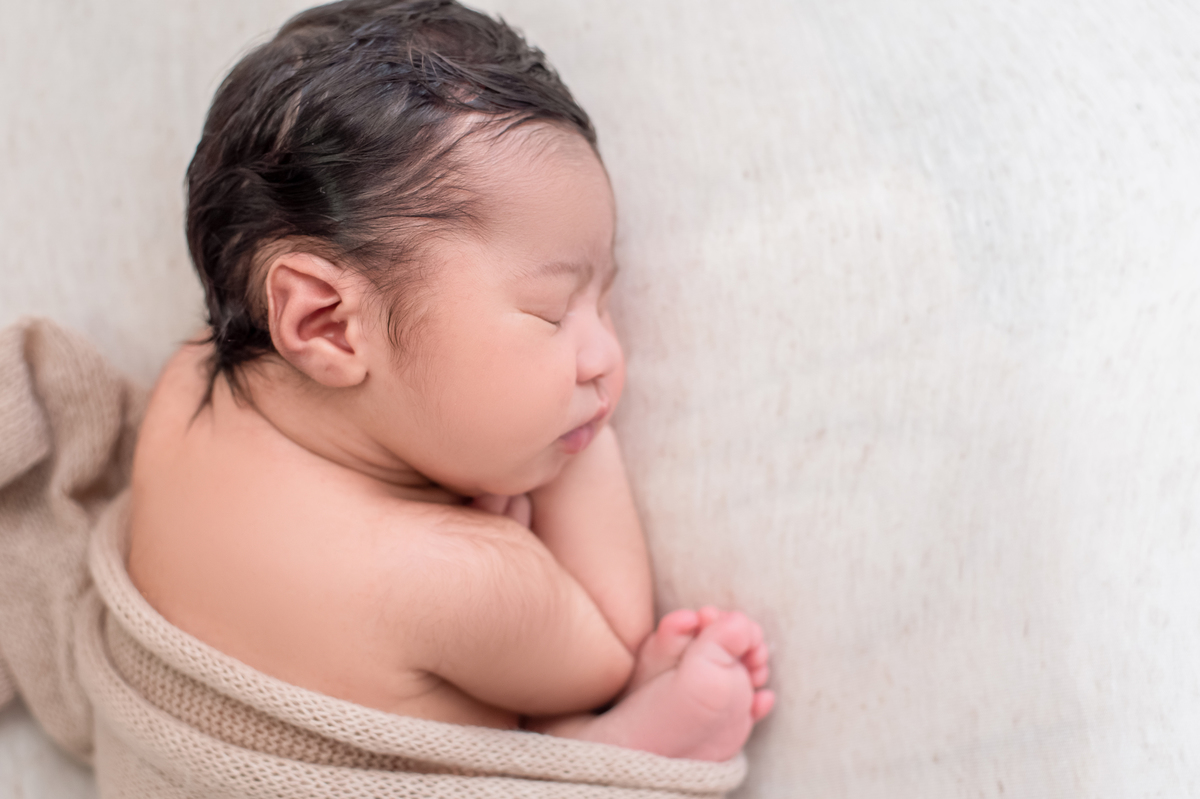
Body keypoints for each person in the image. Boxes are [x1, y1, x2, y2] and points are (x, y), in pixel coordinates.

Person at [127, 0, 773, 762]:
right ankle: (609, 750)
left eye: (602, 300)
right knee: (549, 745)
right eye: (550, 309)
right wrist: (580, 439)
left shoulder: (184, 381)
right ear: (325, 323)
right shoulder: (456, 578)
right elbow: (610, 651)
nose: (605, 353)